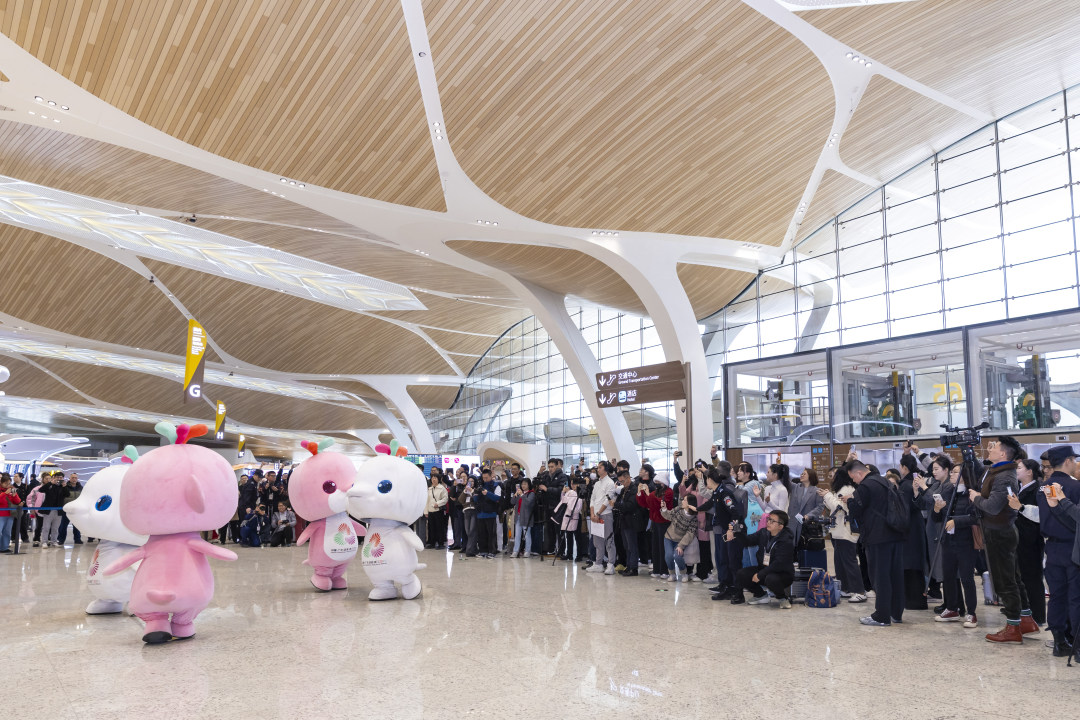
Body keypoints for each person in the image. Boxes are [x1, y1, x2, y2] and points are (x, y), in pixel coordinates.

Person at [969, 435, 1033, 644]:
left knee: (1005, 581)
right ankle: (1025, 619)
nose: (990, 448)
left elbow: (993, 507)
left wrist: (976, 498)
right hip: (1000, 531)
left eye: (994, 446)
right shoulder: (998, 470)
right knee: (1012, 577)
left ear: (1003, 453)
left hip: (999, 533)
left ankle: (1013, 628)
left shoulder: (1004, 476)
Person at [843, 459, 906, 626]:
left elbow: (857, 510)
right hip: (895, 533)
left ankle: (881, 616)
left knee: (880, 576)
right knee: (895, 575)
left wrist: (850, 500)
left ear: (859, 473)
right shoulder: (885, 481)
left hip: (878, 537)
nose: (854, 482)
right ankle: (896, 613)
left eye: (853, 478)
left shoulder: (866, 486)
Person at [1037, 445, 1080, 655]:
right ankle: (1078, 646)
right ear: (1068, 461)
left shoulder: (1042, 487)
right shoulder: (1074, 486)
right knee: (1076, 597)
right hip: (1073, 547)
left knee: (1056, 596)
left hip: (1051, 547)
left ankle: (1058, 641)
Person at [931, 462, 980, 629]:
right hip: (948, 540)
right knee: (948, 576)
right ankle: (952, 608)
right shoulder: (947, 491)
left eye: (955, 472)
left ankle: (971, 612)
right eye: (951, 472)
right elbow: (937, 519)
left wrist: (956, 521)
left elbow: (976, 517)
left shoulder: (971, 494)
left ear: (964, 476)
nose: (951, 475)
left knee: (967, 578)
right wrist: (937, 509)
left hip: (966, 542)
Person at [727, 510, 796, 608]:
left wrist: (760, 574)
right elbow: (747, 541)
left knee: (771, 579)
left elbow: (778, 563)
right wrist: (737, 530)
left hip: (782, 574)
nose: (768, 522)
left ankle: (782, 598)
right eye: (769, 519)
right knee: (741, 574)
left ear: (780, 526)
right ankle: (761, 595)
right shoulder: (764, 532)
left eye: (772, 521)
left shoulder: (786, 541)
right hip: (764, 569)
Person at [818, 467, 867, 603]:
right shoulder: (842, 489)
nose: (832, 479)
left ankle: (859, 591)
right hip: (839, 531)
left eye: (834, 476)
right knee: (840, 562)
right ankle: (845, 588)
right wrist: (827, 497)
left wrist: (827, 495)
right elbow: (833, 507)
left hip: (846, 532)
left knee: (849, 562)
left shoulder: (847, 489)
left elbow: (838, 507)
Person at [1009, 458, 1046, 626]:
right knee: (1021, 577)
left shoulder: (1037, 489)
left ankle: (1038, 616)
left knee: (1032, 578)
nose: (1016, 470)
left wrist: (1020, 507)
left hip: (1031, 539)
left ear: (1030, 472)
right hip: (1018, 538)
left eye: (1019, 468)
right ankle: (1025, 612)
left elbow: (1041, 514)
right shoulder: (1018, 488)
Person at [897, 455, 928, 610]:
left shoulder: (905, 485)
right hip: (917, 526)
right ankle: (918, 599)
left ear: (904, 468)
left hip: (908, 529)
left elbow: (903, 509)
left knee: (908, 564)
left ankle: (912, 600)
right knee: (916, 563)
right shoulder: (915, 483)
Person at [639, 472, 674, 578]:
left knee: (663, 547)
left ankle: (665, 570)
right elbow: (646, 503)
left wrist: (648, 494)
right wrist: (641, 493)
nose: (657, 484)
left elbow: (660, 503)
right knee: (655, 546)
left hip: (665, 522)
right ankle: (656, 570)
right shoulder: (655, 492)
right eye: (656, 482)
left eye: (659, 482)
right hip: (655, 522)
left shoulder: (669, 492)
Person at [614, 469, 647, 576]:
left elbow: (630, 506)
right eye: (620, 482)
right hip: (624, 521)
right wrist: (616, 504)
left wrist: (616, 505)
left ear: (628, 478)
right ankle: (628, 566)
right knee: (626, 546)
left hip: (631, 522)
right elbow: (619, 502)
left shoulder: (634, 489)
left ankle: (633, 568)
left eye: (623, 481)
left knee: (632, 546)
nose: (622, 483)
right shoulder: (624, 490)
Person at [587, 461, 618, 574]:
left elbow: (607, 501)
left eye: (600, 467)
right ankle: (598, 563)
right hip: (595, 516)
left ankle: (610, 564)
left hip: (605, 514)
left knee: (609, 540)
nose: (598, 469)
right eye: (598, 467)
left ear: (606, 469)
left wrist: (598, 513)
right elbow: (592, 499)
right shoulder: (597, 483)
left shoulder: (610, 483)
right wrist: (592, 514)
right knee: (597, 541)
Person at [660, 494, 699, 582]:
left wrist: (681, 545)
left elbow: (690, 534)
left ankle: (684, 573)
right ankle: (672, 574)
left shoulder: (694, 518)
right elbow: (668, 516)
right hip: (669, 537)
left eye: (685, 500)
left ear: (689, 504)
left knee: (678, 556)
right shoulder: (679, 509)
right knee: (668, 556)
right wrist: (664, 509)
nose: (682, 501)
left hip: (680, 541)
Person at [788, 468, 824, 548]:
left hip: (807, 524)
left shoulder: (817, 491)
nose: (802, 475)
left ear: (811, 476)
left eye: (804, 474)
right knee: (791, 546)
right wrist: (783, 469)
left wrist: (809, 515)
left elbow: (820, 507)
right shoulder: (795, 487)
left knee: (803, 546)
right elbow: (786, 482)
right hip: (793, 522)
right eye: (801, 474)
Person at [554, 479, 584, 561]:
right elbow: (563, 502)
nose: (573, 485)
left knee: (577, 537)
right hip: (567, 516)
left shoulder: (580, 493)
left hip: (576, 516)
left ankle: (579, 555)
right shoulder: (569, 492)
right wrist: (563, 493)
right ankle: (569, 554)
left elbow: (576, 507)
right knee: (568, 536)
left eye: (575, 483)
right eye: (572, 483)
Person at [38, 472, 70, 547]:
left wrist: (64, 486)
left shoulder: (63, 486)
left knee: (55, 528)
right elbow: (41, 490)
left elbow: (67, 494)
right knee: (46, 527)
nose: (59, 479)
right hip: (48, 510)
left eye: (61, 477)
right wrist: (50, 483)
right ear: (54, 477)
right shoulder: (50, 485)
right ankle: (44, 542)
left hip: (59, 510)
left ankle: (54, 541)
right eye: (57, 477)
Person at [476, 469, 502, 558]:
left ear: (491, 476)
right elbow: (476, 499)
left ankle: (492, 551)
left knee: (491, 534)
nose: (485, 479)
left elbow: (497, 498)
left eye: (486, 478)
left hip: (491, 513)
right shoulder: (480, 486)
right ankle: (483, 551)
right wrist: (475, 494)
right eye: (483, 478)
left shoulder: (496, 486)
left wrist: (488, 493)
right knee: (481, 534)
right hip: (480, 513)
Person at [510, 478, 537, 558]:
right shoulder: (519, 493)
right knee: (517, 535)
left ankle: (527, 551)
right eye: (522, 484)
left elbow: (528, 503)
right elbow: (512, 502)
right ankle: (515, 551)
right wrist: (515, 496)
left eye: (525, 484)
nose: (523, 486)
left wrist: (522, 495)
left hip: (526, 517)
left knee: (527, 534)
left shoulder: (531, 494)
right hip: (518, 516)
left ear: (529, 485)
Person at [57, 473, 83, 545]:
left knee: (77, 525)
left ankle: (77, 539)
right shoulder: (65, 486)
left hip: (76, 509)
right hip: (66, 509)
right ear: (69, 478)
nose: (74, 479)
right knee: (63, 525)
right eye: (72, 478)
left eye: (75, 478)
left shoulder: (80, 487)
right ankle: (61, 539)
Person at [425, 472, 449, 549]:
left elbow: (445, 499)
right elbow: (427, 501)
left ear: (438, 479)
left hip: (438, 511)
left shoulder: (442, 488)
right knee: (431, 527)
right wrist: (426, 511)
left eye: (435, 478)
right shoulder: (429, 489)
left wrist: (438, 504)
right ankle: (432, 542)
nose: (434, 479)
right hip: (430, 511)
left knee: (439, 527)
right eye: (432, 478)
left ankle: (440, 543)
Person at [0, 476, 22, 553]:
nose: (7, 485)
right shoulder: (2, 492)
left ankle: (4, 547)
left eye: (9, 483)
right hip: (1, 515)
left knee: (7, 532)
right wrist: (4, 493)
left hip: (9, 515)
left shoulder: (12, 490)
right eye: (5, 483)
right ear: (1, 483)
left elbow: (18, 501)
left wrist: (14, 495)